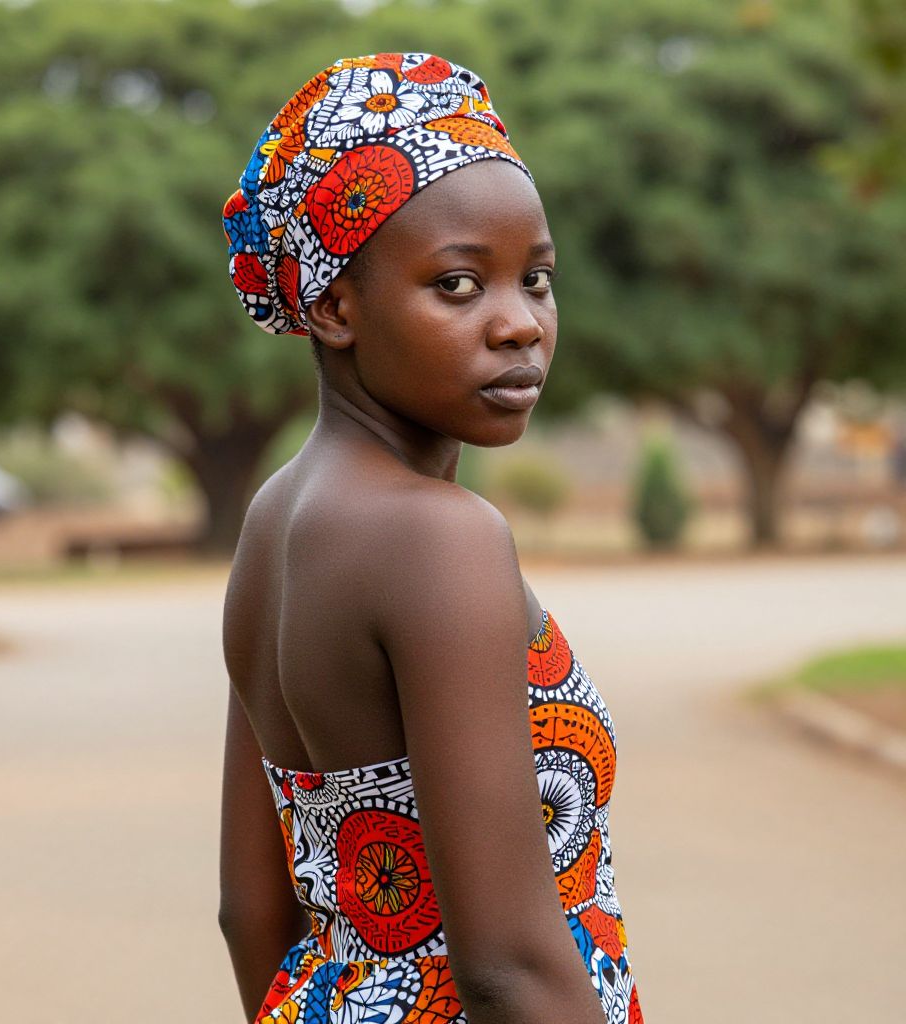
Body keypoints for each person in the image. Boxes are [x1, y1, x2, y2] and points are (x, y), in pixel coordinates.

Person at [218, 53, 643, 1024]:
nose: (519, 326)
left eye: (535, 279)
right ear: (333, 305)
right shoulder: (439, 539)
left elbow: (250, 908)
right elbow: (507, 968)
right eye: (458, 285)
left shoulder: (274, 521)